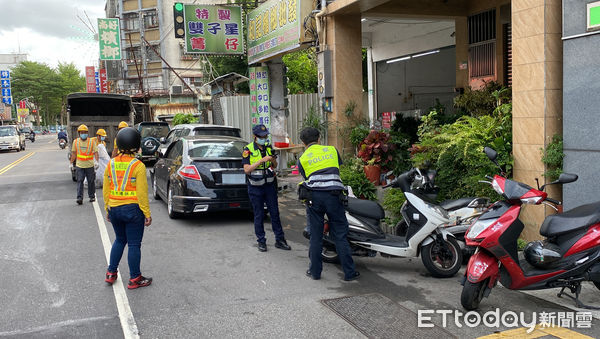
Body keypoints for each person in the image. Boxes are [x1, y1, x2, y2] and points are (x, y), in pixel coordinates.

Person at [297, 127, 359, 281]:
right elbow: (337, 168)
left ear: (303, 143)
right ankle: (349, 273)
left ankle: (315, 272)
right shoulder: (332, 150)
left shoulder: (303, 158)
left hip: (315, 198)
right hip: (334, 195)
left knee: (316, 236)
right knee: (340, 235)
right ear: (319, 139)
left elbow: (307, 177)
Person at [103, 127, 153, 289]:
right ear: (135, 145)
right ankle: (135, 278)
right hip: (133, 210)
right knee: (133, 244)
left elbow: (106, 190)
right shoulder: (137, 165)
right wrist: (147, 213)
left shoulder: (110, 164)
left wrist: (107, 209)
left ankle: (111, 273)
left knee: (119, 240)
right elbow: (142, 193)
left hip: (115, 208)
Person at [242, 124, 291, 252]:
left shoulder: (269, 147)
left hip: (269, 185)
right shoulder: (248, 150)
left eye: (265, 136)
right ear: (255, 136)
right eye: (261, 136)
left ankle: (280, 240)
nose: (264, 138)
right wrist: (261, 161)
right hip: (255, 187)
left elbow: (274, 166)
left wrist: (272, 160)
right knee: (259, 215)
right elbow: (246, 170)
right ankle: (261, 241)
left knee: (275, 213)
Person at [71, 124, 98, 205]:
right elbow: (74, 153)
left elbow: (96, 152)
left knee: (91, 181)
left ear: (87, 133)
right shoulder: (75, 142)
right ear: (79, 133)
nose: (83, 134)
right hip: (80, 166)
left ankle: (92, 196)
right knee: (80, 181)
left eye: (85, 132)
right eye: (82, 132)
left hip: (90, 165)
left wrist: (96, 162)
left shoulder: (91, 141)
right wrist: (71, 163)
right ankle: (79, 198)